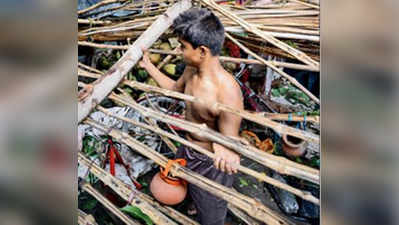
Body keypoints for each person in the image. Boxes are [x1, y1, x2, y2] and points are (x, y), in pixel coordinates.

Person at [139, 8, 244, 225]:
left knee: (211, 214)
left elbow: (230, 142)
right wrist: (149, 67)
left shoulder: (227, 93)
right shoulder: (190, 70)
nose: (179, 51)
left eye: (183, 47)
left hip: (209, 165)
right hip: (186, 148)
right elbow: (175, 89)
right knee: (187, 191)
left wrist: (229, 150)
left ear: (202, 51)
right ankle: (193, 205)